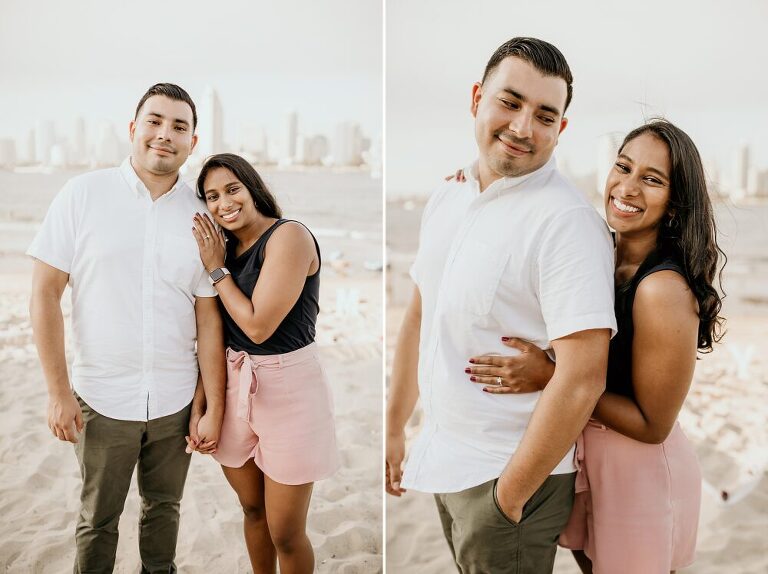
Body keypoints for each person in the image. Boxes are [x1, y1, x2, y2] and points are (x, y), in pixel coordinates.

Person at [385, 37, 617, 573]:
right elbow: (422, 314)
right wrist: (395, 426)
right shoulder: (448, 196)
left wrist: (508, 497)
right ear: (476, 99)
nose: (522, 127)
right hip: (443, 459)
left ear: (561, 129)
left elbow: (583, 377)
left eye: (544, 115)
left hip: (508, 478)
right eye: (509, 103)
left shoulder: (567, 223)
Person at [463, 119, 725, 573]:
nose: (626, 187)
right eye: (622, 167)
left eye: (651, 179)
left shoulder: (661, 290)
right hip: (586, 455)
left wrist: (552, 376)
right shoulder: (598, 252)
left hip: (639, 472)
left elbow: (653, 426)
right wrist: (472, 182)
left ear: (675, 203)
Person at [28, 83, 226, 573]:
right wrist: (58, 392)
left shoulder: (201, 213)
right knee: (98, 520)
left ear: (193, 142)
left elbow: (207, 315)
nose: (165, 134)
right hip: (101, 397)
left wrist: (211, 401)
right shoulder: (82, 194)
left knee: (165, 512)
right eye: (155, 122)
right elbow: (44, 294)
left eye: (179, 126)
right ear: (133, 129)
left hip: (175, 401)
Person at [189, 153, 339, 574]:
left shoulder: (288, 237)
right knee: (252, 510)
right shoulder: (225, 247)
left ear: (252, 188)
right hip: (235, 381)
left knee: (286, 531)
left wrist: (217, 271)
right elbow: (214, 334)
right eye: (212, 197)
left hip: (290, 388)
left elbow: (257, 326)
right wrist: (204, 402)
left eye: (232, 189)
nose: (223, 203)